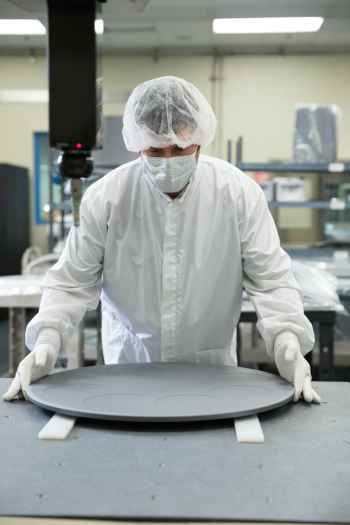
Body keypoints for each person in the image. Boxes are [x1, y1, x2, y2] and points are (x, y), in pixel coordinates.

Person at [3, 75, 320, 404]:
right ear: (137, 144)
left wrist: (287, 339)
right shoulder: (106, 198)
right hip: (127, 372)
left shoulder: (238, 194)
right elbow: (71, 282)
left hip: (212, 376)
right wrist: (47, 339)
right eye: (155, 150)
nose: (168, 161)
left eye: (180, 149)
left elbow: (271, 280)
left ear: (199, 140)